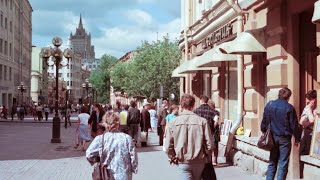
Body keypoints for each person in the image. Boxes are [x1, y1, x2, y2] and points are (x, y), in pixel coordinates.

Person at [164, 94, 213, 180]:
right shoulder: (202, 121)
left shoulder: (173, 122)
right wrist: (206, 155)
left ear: (181, 105)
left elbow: (168, 146)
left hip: (183, 161)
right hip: (199, 161)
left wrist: (173, 157)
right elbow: (210, 144)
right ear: (193, 105)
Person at [261, 87, 301, 180]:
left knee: (272, 162)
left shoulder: (269, 105)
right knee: (283, 163)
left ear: (279, 95)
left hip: (272, 138)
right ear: (288, 97)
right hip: (284, 139)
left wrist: (264, 132)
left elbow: (264, 123)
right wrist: (297, 139)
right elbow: (294, 125)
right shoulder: (289, 108)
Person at [86, 113, 138, 180]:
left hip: (106, 175)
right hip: (124, 174)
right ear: (118, 124)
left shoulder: (100, 139)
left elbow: (89, 154)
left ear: (105, 124)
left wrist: (97, 160)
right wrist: (133, 169)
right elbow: (133, 157)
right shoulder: (127, 138)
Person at [299, 90, 317, 178]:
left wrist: (309, 111)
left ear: (314, 100)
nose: (307, 102)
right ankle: (303, 174)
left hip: (316, 134)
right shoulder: (307, 108)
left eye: (309, 100)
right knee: (303, 152)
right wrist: (311, 123)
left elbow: (313, 120)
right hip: (307, 132)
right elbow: (302, 122)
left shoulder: (314, 109)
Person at [207, 100, 220, 165]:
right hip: (215, 131)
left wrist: (213, 128)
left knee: (211, 146)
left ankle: (212, 160)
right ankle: (215, 161)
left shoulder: (214, 112)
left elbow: (216, 122)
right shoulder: (216, 112)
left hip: (213, 131)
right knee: (215, 146)